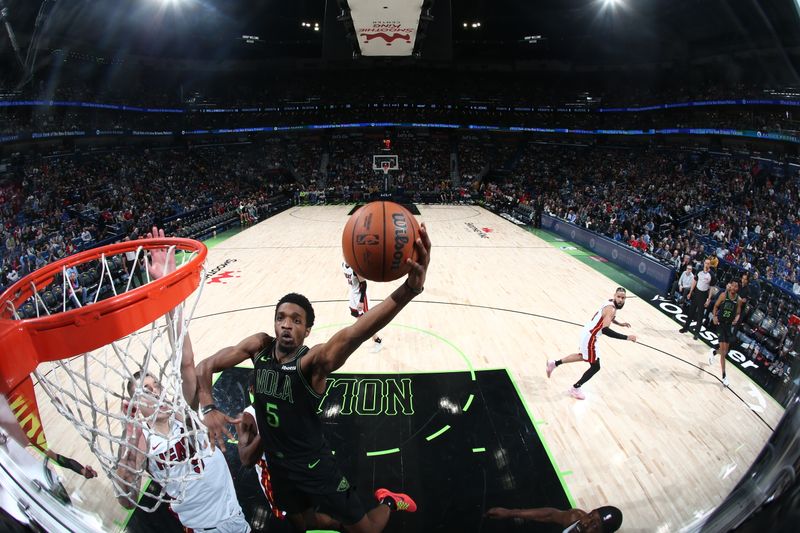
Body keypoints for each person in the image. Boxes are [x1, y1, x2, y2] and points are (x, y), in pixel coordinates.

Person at [196, 224, 431, 533]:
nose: (286, 325)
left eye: (296, 320)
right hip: (278, 468)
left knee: (367, 531)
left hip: (314, 465)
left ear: (306, 330)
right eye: (281, 317)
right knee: (301, 524)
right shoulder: (259, 347)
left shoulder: (312, 363)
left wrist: (409, 289)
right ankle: (337, 523)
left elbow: (356, 332)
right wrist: (208, 407)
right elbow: (206, 365)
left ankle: (388, 501)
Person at [115, 227, 250, 532]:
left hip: (235, 516)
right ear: (135, 405)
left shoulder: (185, 413)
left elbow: (185, 360)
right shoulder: (143, 440)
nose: (156, 391)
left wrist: (167, 287)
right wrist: (129, 436)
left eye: (156, 385)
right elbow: (126, 499)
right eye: (146, 391)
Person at [546, 287, 638, 400]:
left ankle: (554, 363)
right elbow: (605, 330)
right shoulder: (611, 309)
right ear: (614, 295)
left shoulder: (609, 302)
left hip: (587, 332)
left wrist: (619, 324)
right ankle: (575, 388)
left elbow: (607, 317)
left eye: (623, 298)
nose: (620, 300)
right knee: (595, 366)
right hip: (591, 336)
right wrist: (627, 337)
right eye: (618, 297)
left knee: (583, 357)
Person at [485, 504, 623, 532]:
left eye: (595, 526)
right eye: (591, 516)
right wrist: (510, 512)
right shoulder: (575, 517)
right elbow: (550, 514)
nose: (587, 523)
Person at [708, 280, 743, 387]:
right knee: (723, 352)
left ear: (737, 289)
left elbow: (738, 313)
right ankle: (724, 376)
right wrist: (714, 316)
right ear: (730, 286)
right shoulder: (723, 295)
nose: (733, 287)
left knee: (725, 351)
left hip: (728, 326)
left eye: (735, 286)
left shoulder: (739, 300)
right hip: (721, 323)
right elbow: (715, 306)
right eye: (732, 285)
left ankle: (714, 352)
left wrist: (736, 319)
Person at [342, 261, 382, 352]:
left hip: (361, 296)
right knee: (357, 317)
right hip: (353, 293)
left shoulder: (355, 268)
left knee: (367, 321)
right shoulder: (343, 265)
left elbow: (364, 284)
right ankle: (364, 335)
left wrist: (361, 302)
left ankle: (377, 341)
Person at [680, 258, 714, 340]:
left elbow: (712, 288)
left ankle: (696, 333)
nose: (706, 265)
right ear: (704, 263)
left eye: (708, 263)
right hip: (696, 293)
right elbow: (694, 281)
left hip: (703, 295)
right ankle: (685, 327)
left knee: (700, 315)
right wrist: (690, 292)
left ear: (710, 265)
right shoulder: (699, 271)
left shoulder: (712, 275)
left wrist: (709, 299)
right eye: (706, 263)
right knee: (691, 311)